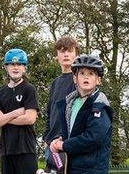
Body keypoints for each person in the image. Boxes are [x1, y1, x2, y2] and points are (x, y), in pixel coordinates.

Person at [49, 54, 114, 174]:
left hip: (91, 169)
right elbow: (73, 132)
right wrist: (59, 140)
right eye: (82, 73)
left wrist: (63, 145)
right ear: (75, 78)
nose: (86, 77)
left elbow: (93, 138)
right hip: (72, 167)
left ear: (98, 80)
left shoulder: (100, 106)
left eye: (91, 74)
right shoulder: (70, 104)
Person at [0, 48, 40, 174]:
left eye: (19, 64)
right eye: (12, 64)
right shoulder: (0, 93)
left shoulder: (29, 89)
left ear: (24, 68)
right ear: (6, 67)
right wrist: (16, 113)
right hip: (6, 151)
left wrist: (3, 119)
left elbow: (30, 118)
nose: (16, 67)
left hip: (26, 150)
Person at [43, 37, 80, 171]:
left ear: (76, 54)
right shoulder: (55, 83)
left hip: (66, 144)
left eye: (70, 51)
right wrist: (46, 138)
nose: (65, 54)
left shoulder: (79, 81)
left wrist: (64, 139)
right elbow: (49, 112)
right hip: (51, 144)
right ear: (56, 55)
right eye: (62, 51)